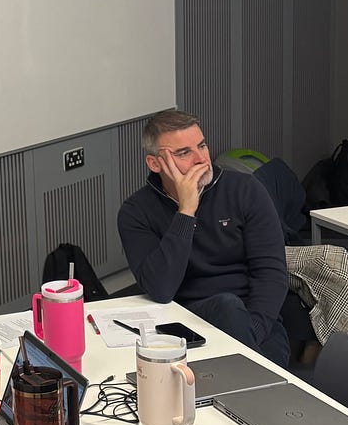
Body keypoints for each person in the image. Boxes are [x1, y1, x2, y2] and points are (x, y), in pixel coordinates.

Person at [117, 109, 290, 367]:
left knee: (232, 312)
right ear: (155, 164)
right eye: (183, 153)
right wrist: (186, 212)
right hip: (183, 325)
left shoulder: (245, 189)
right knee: (225, 308)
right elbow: (160, 289)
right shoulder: (136, 212)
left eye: (202, 145)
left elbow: (271, 274)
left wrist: (250, 332)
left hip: (255, 320)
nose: (201, 159)